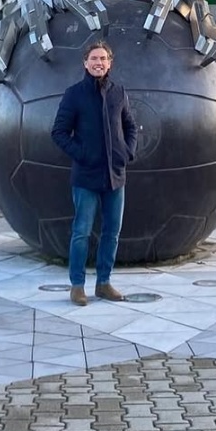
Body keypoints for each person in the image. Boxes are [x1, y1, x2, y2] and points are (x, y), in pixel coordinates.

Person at [51, 39, 137, 306]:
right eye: (94, 59)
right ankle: (77, 286)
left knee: (112, 231)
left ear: (110, 63)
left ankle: (104, 283)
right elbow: (59, 132)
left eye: (103, 59)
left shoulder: (119, 93)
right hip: (86, 177)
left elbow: (131, 126)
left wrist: (127, 153)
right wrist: (84, 155)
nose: (99, 63)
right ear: (85, 63)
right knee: (82, 232)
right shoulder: (73, 94)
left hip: (115, 175)